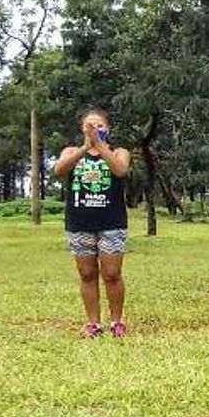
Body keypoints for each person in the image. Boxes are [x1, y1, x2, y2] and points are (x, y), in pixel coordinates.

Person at [54, 109, 132, 338]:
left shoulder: (119, 152)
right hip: (79, 222)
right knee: (87, 274)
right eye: (89, 125)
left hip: (112, 222)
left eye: (99, 125)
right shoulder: (71, 151)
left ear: (107, 128)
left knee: (111, 274)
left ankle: (117, 321)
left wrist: (100, 145)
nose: (94, 128)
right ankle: (93, 323)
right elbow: (59, 170)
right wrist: (84, 148)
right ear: (82, 129)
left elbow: (120, 170)